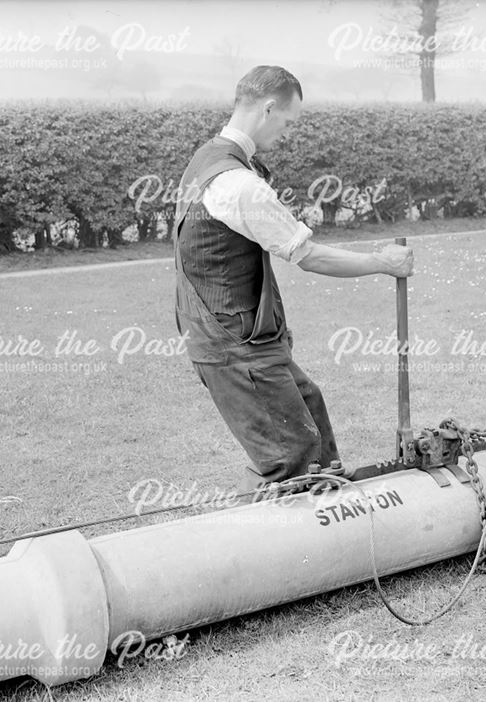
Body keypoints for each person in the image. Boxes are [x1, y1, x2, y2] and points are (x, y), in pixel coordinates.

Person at [173, 65, 414, 498]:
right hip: (232, 345)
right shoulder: (238, 183)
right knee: (293, 454)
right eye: (286, 122)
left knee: (311, 409)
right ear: (268, 108)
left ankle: (338, 525)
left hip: (241, 336)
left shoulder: (207, 159)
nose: (285, 133)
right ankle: (270, 551)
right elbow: (309, 256)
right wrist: (384, 262)